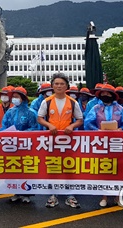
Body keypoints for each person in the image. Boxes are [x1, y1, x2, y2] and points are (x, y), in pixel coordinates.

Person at [37, 73, 84, 209]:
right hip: (52, 139)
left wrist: (71, 126)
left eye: (62, 84)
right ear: (52, 86)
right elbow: (39, 118)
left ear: (66, 86)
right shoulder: (47, 101)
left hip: (68, 140)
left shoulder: (73, 102)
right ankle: (53, 195)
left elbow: (80, 120)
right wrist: (49, 125)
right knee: (54, 166)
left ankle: (70, 195)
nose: (59, 86)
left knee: (69, 166)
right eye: (56, 83)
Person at [84, 83, 123, 207]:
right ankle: (104, 196)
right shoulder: (96, 108)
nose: (105, 95)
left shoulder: (120, 109)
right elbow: (88, 122)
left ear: (113, 95)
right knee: (104, 169)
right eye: (103, 94)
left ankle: (118, 196)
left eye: (107, 94)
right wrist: (96, 131)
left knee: (119, 169)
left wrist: (121, 130)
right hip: (101, 142)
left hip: (117, 142)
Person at [2, 86, 37, 204]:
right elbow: (4, 126)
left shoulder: (31, 112)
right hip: (11, 145)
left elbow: (35, 128)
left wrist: (22, 133)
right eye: (14, 97)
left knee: (25, 168)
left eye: (17, 97)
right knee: (13, 168)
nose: (14, 99)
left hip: (26, 145)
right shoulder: (10, 112)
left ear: (23, 98)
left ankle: (26, 193)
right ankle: (16, 192)